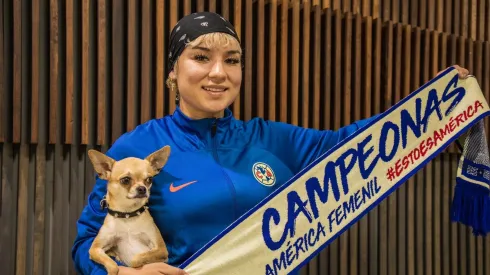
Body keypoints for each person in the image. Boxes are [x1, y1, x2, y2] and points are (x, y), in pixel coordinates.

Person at [72, 11, 470, 275]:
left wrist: (433, 104)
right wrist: (123, 274)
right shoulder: (140, 149)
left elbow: (360, 143)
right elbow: (86, 243)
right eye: (201, 57)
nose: (218, 72)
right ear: (174, 70)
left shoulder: (272, 139)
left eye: (232, 60)